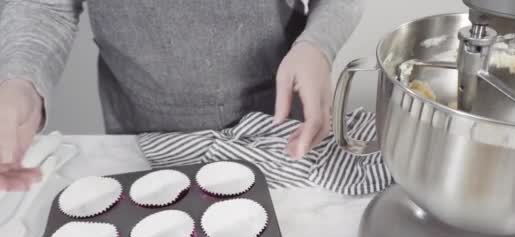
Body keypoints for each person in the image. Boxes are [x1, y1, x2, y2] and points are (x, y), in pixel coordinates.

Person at [0, 0, 363, 191]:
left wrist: (318, 45)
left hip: (276, 127)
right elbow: (46, 5)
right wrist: (22, 81)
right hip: (141, 134)